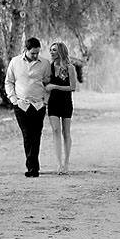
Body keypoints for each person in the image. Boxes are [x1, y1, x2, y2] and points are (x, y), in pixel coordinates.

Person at [5, 37, 50, 177]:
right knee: (27, 135)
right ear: (26, 50)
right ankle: (32, 166)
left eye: (37, 53)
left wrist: (45, 102)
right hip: (21, 105)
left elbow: (48, 84)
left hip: (38, 105)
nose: (36, 56)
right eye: (33, 53)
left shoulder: (45, 64)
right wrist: (13, 100)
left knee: (36, 135)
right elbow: (9, 82)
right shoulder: (15, 62)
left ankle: (33, 168)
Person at [46, 41, 78, 175]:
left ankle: (66, 162)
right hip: (53, 102)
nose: (52, 52)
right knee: (55, 130)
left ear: (61, 51)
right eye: (51, 50)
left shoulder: (70, 68)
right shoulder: (49, 67)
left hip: (65, 102)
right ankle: (59, 163)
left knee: (66, 132)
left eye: (54, 50)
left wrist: (55, 86)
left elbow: (73, 87)